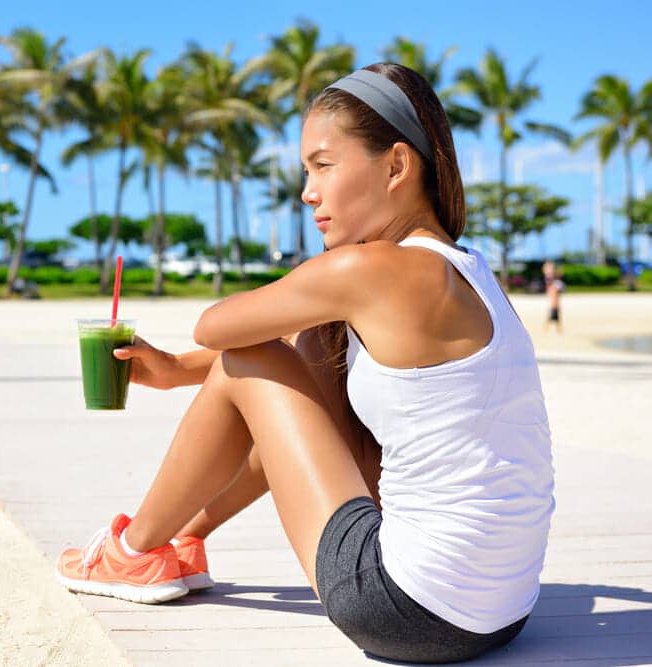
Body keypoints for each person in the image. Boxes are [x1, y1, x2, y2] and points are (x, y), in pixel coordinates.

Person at [56, 63, 554, 664]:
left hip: (399, 609)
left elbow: (218, 327)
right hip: (502, 616)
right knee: (318, 349)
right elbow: (295, 351)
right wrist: (178, 370)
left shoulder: (367, 269)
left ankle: (133, 550)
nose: (307, 193)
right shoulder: (469, 270)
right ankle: (183, 541)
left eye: (323, 165)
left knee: (248, 359)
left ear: (397, 166)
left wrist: (196, 358)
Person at [543, 260, 565, 333]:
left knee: (554, 314)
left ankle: (553, 329)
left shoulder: (554, 282)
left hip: (553, 290)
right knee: (554, 313)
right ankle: (555, 329)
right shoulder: (553, 283)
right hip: (554, 300)